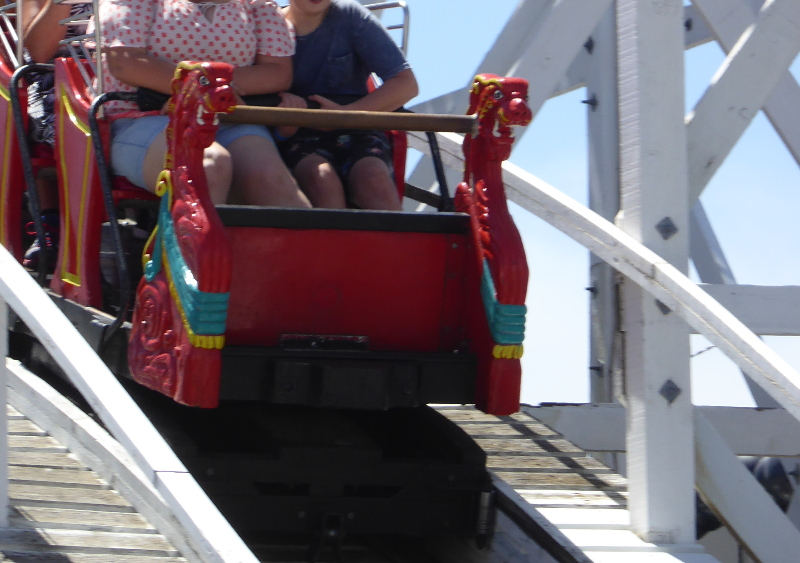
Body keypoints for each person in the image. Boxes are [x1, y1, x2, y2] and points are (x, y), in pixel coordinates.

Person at [97, 0, 311, 208]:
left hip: (228, 117)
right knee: (208, 165)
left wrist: (209, 89)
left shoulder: (256, 4)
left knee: (273, 183)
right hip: (146, 117)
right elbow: (125, 62)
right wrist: (197, 88)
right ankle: (193, 244)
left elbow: (277, 71)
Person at [277, 0, 418, 210]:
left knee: (373, 179)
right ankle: (330, 242)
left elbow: (406, 84)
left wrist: (345, 114)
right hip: (296, 135)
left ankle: (397, 242)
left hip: (358, 128)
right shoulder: (269, 24)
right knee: (322, 180)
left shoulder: (350, 15)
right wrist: (286, 124)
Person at [21, 0, 91, 268]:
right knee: (75, 126)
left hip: (120, 76)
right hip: (57, 78)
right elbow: (39, 51)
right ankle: (49, 220)